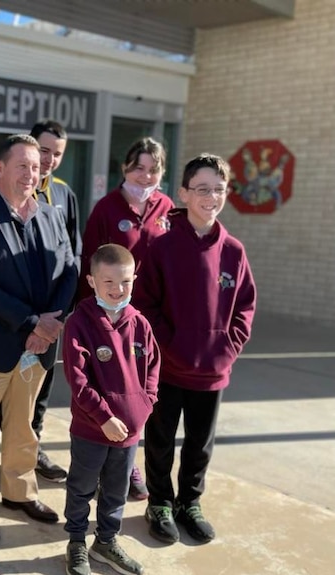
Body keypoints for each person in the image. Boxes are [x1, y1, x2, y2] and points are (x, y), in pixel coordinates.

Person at [0, 134, 77, 541]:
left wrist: (52, 323)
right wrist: (33, 324)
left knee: (24, 426)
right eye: (22, 165)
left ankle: (19, 493)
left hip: (38, 346)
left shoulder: (50, 215)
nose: (31, 173)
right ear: (0, 168)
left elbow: (70, 269)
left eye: (37, 166)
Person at [134, 153, 256, 545]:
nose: (211, 197)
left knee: (200, 445)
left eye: (218, 189)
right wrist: (171, 347)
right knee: (161, 439)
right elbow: (146, 304)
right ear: (184, 193)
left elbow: (245, 308)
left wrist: (226, 348)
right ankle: (160, 503)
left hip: (212, 370)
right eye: (202, 189)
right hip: (168, 368)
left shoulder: (234, 251)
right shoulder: (162, 247)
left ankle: (190, 502)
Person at [78, 136, 174, 501]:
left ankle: (129, 460)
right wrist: (90, 318)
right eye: (139, 167)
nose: (146, 175)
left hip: (151, 320)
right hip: (112, 316)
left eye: (154, 169)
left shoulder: (167, 208)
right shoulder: (107, 208)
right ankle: (110, 463)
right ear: (125, 168)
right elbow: (90, 262)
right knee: (110, 389)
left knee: (141, 391)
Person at [62, 244, 159, 575]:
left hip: (130, 434)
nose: (118, 291)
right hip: (92, 430)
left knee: (116, 491)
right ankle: (76, 542)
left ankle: (106, 542)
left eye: (126, 282)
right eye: (109, 283)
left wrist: (145, 405)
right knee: (81, 487)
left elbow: (153, 371)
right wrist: (103, 418)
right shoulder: (80, 323)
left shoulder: (140, 324)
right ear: (91, 281)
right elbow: (78, 381)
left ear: (135, 279)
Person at [28, 119, 82, 483]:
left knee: (43, 386)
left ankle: (33, 448)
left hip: (54, 313)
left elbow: (74, 256)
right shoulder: (12, 187)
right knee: (13, 388)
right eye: (44, 150)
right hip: (18, 315)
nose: (49, 160)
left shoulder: (64, 194)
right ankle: (12, 450)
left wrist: (61, 313)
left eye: (57, 154)